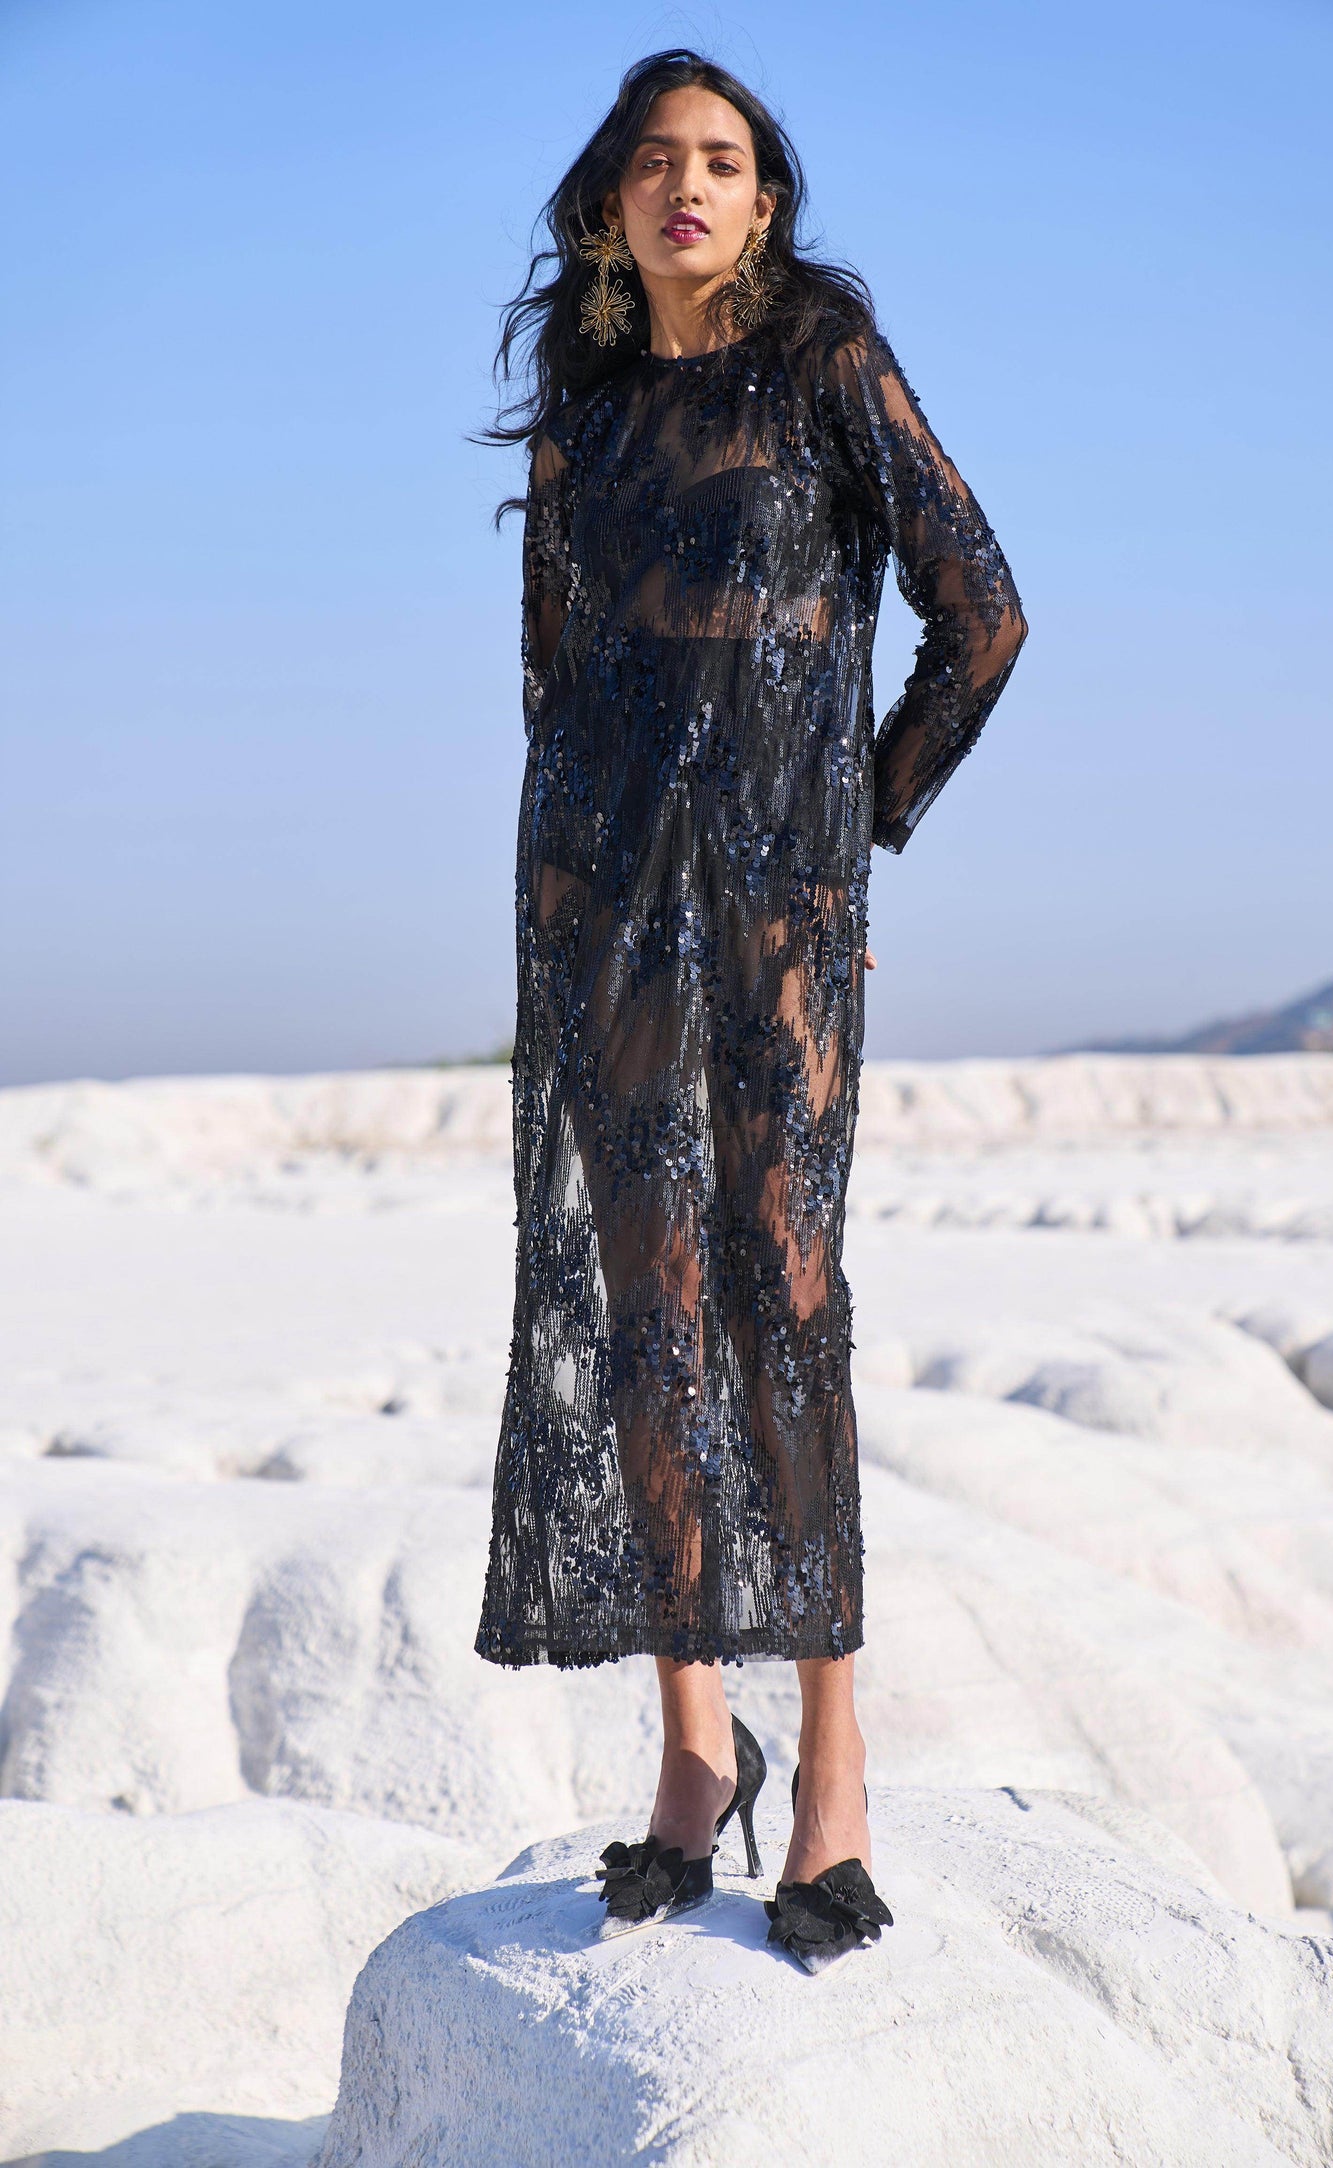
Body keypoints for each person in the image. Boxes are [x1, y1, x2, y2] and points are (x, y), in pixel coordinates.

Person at [476, 48, 1026, 1973]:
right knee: (645, 1318)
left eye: (720, 160)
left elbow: (982, 614)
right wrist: (573, 890)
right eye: (653, 161)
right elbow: (555, 675)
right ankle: (693, 1751)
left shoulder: (823, 365)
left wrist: (849, 831)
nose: (685, 186)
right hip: (600, 905)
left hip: (777, 903)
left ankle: (836, 1769)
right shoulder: (586, 412)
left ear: (764, 201)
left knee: (783, 1306)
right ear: (608, 206)